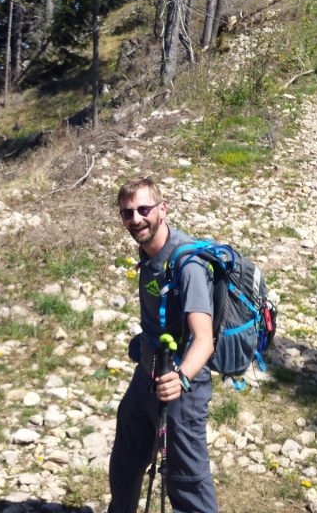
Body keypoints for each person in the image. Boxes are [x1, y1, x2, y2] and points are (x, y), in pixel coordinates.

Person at [108, 177, 218, 513]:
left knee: (186, 479)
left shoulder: (188, 265)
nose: (136, 219)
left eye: (144, 209)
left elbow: (205, 339)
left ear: (162, 209)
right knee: (126, 460)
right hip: (148, 372)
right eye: (128, 213)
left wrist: (181, 378)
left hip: (183, 383)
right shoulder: (146, 252)